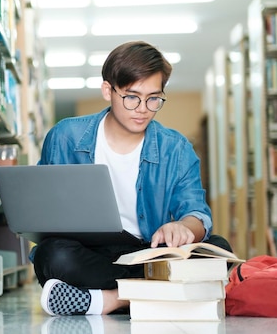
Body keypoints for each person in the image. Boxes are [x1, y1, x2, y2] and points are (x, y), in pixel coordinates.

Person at [33, 40, 232, 316]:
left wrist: (184, 227)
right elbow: (43, 208)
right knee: (52, 255)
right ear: (108, 90)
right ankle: (154, 294)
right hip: (92, 255)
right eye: (131, 96)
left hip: (150, 254)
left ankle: (112, 299)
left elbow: (196, 212)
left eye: (154, 98)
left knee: (217, 251)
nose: (143, 108)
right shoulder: (66, 136)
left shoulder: (176, 147)